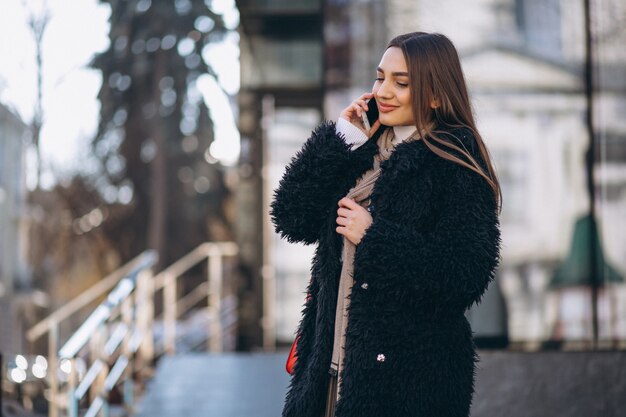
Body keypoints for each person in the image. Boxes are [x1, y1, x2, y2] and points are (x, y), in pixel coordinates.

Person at [270, 31, 503, 417]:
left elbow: (465, 274)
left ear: (435, 94)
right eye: (380, 77)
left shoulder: (456, 162)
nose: (383, 91)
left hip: (407, 387)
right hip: (328, 375)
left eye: (402, 82)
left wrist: (374, 238)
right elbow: (290, 217)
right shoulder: (360, 148)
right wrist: (341, 139)